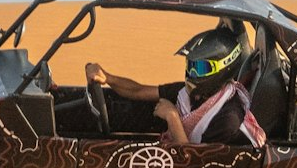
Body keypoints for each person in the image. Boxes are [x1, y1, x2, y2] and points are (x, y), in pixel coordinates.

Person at [85, 23, 266, 148]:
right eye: (191, 66)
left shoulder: (228, 118)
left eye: (201, 68)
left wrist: (172, 117)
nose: (192, 74)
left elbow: (194, 165)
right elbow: (138, 91)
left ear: (223, 68)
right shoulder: (187, 94)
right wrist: (107, 77)